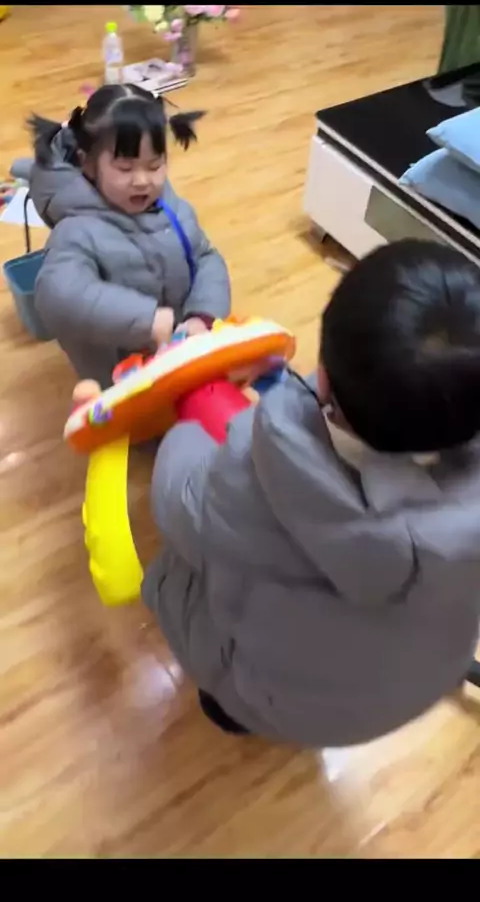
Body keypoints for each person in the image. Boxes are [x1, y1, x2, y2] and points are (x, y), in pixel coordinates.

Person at [142, 239, 480, 747]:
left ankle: (230, 708)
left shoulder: (250, 474)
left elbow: (177, 500)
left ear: (322, 376)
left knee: (177, 570)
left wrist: (181, 436)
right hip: (420, 681)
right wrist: (287, 388)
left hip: (287, 704)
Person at [27, 84, 231, 388]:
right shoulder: (76, 230)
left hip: (175, 357)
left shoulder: (173, 209)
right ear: (88, 164)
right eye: (125, 168)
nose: (142, 180)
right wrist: (145, 320)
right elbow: (56, 295)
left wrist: (202, 316)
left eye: (154, 165)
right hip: (120, 381)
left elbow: (205, 258)